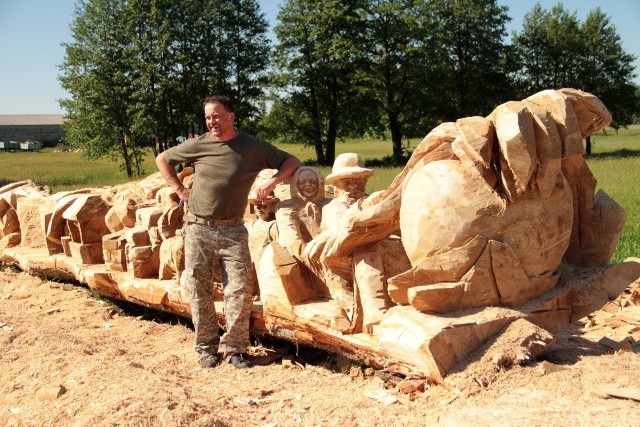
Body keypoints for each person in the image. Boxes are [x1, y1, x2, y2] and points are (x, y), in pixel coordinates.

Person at [156, 95, 300, 369]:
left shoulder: (252, 147)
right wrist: (179, 189)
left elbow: (290, 161)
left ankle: (235, 348)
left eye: (217, 116)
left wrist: (271, 182)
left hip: (233, 229)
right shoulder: (199, 144)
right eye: (208, 117)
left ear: (231, 116)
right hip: (198, 228)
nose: (212, 122)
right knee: (199, 289)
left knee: (240, 288)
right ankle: (206, 348)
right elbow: (162, 159)